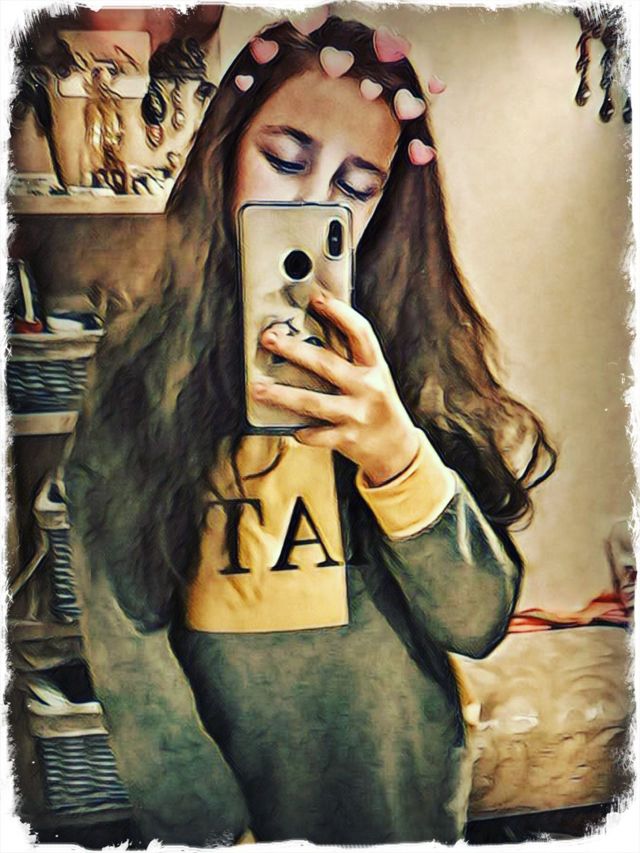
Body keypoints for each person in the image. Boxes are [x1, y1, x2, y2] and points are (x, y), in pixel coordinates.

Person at [66, 15, 556, 845]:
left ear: (388, 205)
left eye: (357, 186)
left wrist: (396, 456)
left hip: (400, 801)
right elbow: (127, 642)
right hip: (235, 814)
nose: (312, 202)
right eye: (286, 160)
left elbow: (477, 621)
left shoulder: (412, 365)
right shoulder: (138, 372)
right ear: (225, 153)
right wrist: (208, 830)